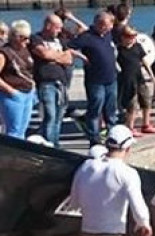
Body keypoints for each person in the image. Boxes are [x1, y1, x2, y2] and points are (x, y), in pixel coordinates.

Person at [68, 12, 117, 146]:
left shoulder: (108, 35)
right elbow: (68, 47)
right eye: (103, 25)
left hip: (111, 78)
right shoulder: (87, 37)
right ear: (97, 24)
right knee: (95, 109)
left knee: (111, 110)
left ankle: (112, 134)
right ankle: (94, 139)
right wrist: (82, 57)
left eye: (108, 25)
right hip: (95, 80)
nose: (106, 28)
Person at [31, 14, 76, 147]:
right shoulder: (36, 38)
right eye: (57, 28)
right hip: (46, 82)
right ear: (48, 26)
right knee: (50, 115)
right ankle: (50, 143)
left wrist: (53, 57)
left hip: (61, 82)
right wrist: (57, 56)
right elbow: (44, 54)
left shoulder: (60, 40)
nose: (60, 31)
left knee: (59, 115)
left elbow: (69, 59)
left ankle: (55, 142)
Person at [117, 26, 155, 137]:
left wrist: (151, 74)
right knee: (132, 105)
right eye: (129, 36)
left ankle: (146, 124)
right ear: (123, 37)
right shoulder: (119, 50)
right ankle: (129, 127)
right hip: (127, 80)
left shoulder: (137, 46)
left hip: (139, 78)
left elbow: (143, 61)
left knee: (146, 100)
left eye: (134, 36)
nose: (132, 38)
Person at [0, 20, 35, 140]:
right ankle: (9, 157)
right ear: (16, 37)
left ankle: (19, 156)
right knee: (13, 131)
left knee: (22, 130)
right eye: (24, 38)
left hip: (28, 92)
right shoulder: (4, 52)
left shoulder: (25, 50)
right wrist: (11, 91)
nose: (27, 41)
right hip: (13, 94)